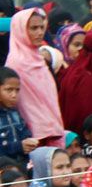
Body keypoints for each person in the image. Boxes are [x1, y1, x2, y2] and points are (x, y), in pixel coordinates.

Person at [9, 9, 64, 148]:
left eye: (41, 27)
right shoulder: (16, 63)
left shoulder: (40, 59)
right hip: (33, 136)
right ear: (20, 30)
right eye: (33, 28)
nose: (40, 32)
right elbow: (21, 102)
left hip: (53, 129)